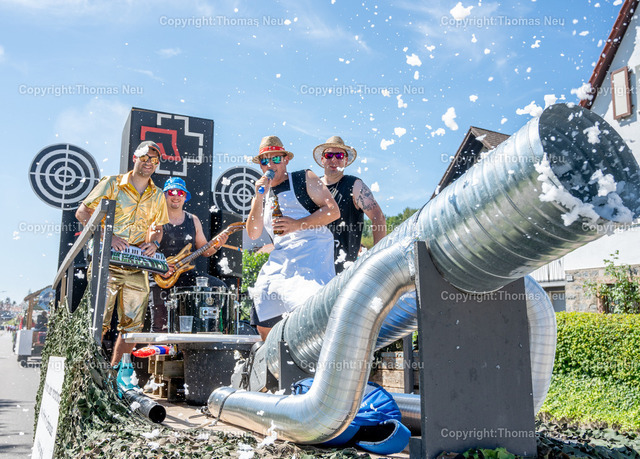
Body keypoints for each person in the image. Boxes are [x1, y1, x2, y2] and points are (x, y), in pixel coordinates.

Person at [75, 140, 169, 367]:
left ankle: (115, 375)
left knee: (132, 328)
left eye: (154, 159)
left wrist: (154, 243)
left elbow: (158, 228)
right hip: (106, 263)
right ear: (135, 158)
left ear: (157, 164)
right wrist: (108, 237)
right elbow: (82, 213)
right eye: (145, 157)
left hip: (137, 267)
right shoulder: (111, 183)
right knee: (97, 321)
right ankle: (86, 373)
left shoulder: (158, 195)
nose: (149, 162)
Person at [247, 135, 340, 340]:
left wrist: (298, 224)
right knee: (263, 314)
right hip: (282, 259)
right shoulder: (261, 194)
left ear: (286, 159)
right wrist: (258, 197)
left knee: (310, 314)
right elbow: (253, 233)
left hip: (311, 254)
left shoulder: (303, 178)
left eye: (276, 159)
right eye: (264, 161)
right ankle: (276, 356)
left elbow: (333, 211)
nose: (270, 165)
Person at [149, 177, 229, 333]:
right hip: (161, 276)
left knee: (219, 288)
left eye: (180, 192)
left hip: (187, 276)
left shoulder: (193, 220)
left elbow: (205, 251)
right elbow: (148, 251)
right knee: (159, 327)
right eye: (172, 192)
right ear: (165, 195)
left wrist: (217, 245)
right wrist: (161, 267)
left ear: (185, 196)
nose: (176, 196)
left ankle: (218, 330)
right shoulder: (156, 218)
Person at [314, 136, 386, 273]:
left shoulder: (354, 186)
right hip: (314, 269)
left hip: (343, 273)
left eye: (339, 156)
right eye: (329, 155)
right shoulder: (313, 187)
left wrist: (377, 257)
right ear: (322, 159)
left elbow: (378, 217)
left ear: (345, 161)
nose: (334, 160)